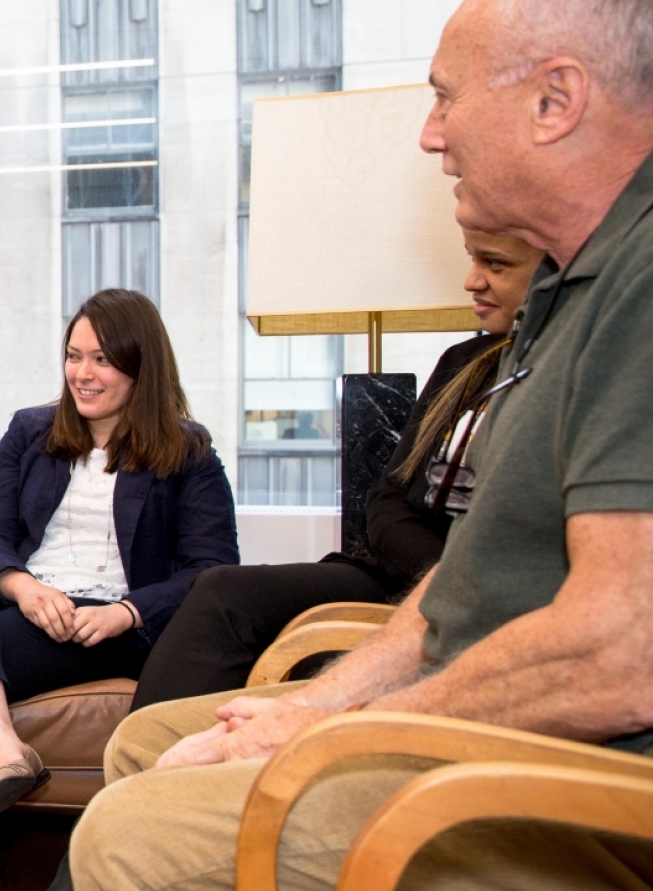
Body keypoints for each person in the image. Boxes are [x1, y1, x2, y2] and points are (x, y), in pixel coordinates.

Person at [69, 1, 653, 888]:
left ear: (555, 99)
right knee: (149, 737)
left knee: (127, 832)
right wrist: (311, 702)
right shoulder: (562, 295)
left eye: (445, 98)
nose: (430, 135)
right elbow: (451, 598)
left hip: (563, 774)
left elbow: (623, 653)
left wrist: (333, 730)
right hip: (484, 718)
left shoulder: (638, 290)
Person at [0, 288, 237, 891]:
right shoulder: (31, 430)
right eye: (73, 356)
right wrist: (22, 587)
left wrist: (128, 613)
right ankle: (2, 744)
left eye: (102, 359)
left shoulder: (189, 452)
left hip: (105, 623)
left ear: (140, 366)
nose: (82, 373)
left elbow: (213, 571)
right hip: (30, 601)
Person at [130, 228, 544, 709]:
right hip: (399, 569)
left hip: (473, 586)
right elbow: (388, 500)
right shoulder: (465, 362)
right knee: (222, 589)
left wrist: (453, 580)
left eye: (496, 265)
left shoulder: (561, 374)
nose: (472, 281)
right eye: (473, 261)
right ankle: (155, 760)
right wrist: (436, 570)